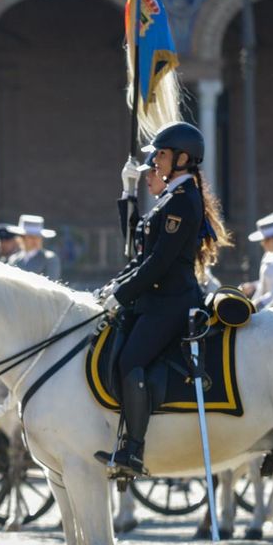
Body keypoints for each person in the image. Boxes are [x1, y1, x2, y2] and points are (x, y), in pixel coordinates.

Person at [96, 122, 231, 478]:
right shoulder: (169, 198)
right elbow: (137, 250)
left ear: (183, 159)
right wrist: (127, 194)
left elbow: (159, 263)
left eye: (162, 154)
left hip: (172, 302)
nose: (155, 161)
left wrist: (123, 294)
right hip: (153, 299)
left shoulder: (184, 201)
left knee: (130, 361)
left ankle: (133, 450)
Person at [7, 215, 61, 280]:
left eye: (38, 237)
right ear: (21, 238)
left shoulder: (49, 259)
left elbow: (52, 283)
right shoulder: (14, 260)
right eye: (31, 237)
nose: (35, 240)